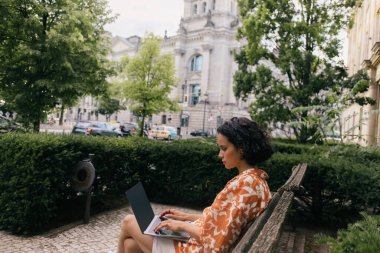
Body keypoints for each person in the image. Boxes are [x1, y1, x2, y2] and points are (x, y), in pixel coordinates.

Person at [117, 117, 273, 253]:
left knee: (128, 222)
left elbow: (219, 242)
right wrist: (187, 217)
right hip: (200, 243)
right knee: (130, 246)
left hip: (197, 249)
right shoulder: (256, 180)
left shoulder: (245, 184)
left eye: (224, 148)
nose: (220, 155)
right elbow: (225, 223)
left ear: (242, 149)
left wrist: (182, 226)